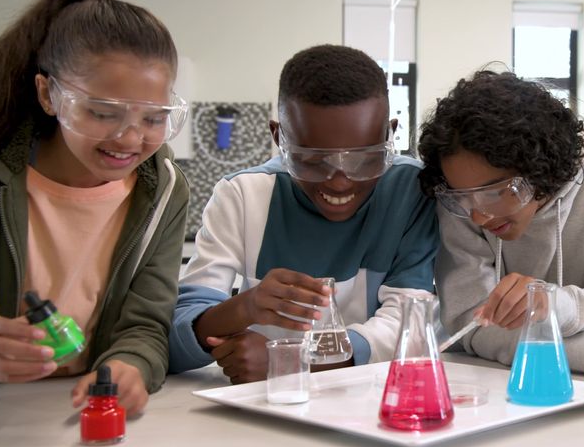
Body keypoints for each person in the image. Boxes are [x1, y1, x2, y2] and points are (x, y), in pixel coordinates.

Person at [0, 0, 189, 414]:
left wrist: (131, 365)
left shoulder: (164, 190)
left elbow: (146, 325)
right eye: (103, 113)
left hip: (84, 410)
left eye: (154, 118)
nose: (129, 138)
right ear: (49, 95)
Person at [170, 45, 437, 383]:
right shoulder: (242, 196)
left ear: (389, 135)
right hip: (268, 403)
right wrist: (245, 307)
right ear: (278, 137)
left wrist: (292, 360)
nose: (340, 181)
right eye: (312, 160)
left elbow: (412, 325)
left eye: (363, 158)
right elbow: (175, 341)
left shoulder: (412, 190)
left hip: (375, 396)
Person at [419, 69, 584, 381]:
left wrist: (551, 302)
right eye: (462, 197)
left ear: (539, 169)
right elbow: (468, 325)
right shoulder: (458, 198)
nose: (478, 217)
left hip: (578, 390)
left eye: (493, 193)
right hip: (484, 380)